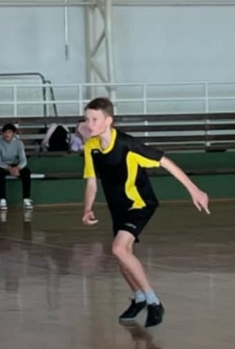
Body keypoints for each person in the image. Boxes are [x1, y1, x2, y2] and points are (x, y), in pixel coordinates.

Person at [81, 97, 210, 330]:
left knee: (119, 249)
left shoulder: (128, 145)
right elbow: (91, 182)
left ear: (108, 121)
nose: (89, 124)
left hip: (139, 203)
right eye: (87, 119)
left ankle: (154, 302)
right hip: (118, 207)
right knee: (123, 258)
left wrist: (194, 190)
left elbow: (165, 161)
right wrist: (87, 208)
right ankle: (139, 298)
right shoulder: (91, 146)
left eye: (94, 119)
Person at [0, 122, 32, 210]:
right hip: (2, 165)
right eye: (5, 132)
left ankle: (26, 199)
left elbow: (23, 160)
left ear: (14, 134)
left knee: (26, 172)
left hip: (15, 165)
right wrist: (9, 168)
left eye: (9, 132)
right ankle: (2, 199)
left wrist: (17, 168)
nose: (7, 134)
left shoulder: (19, 143)